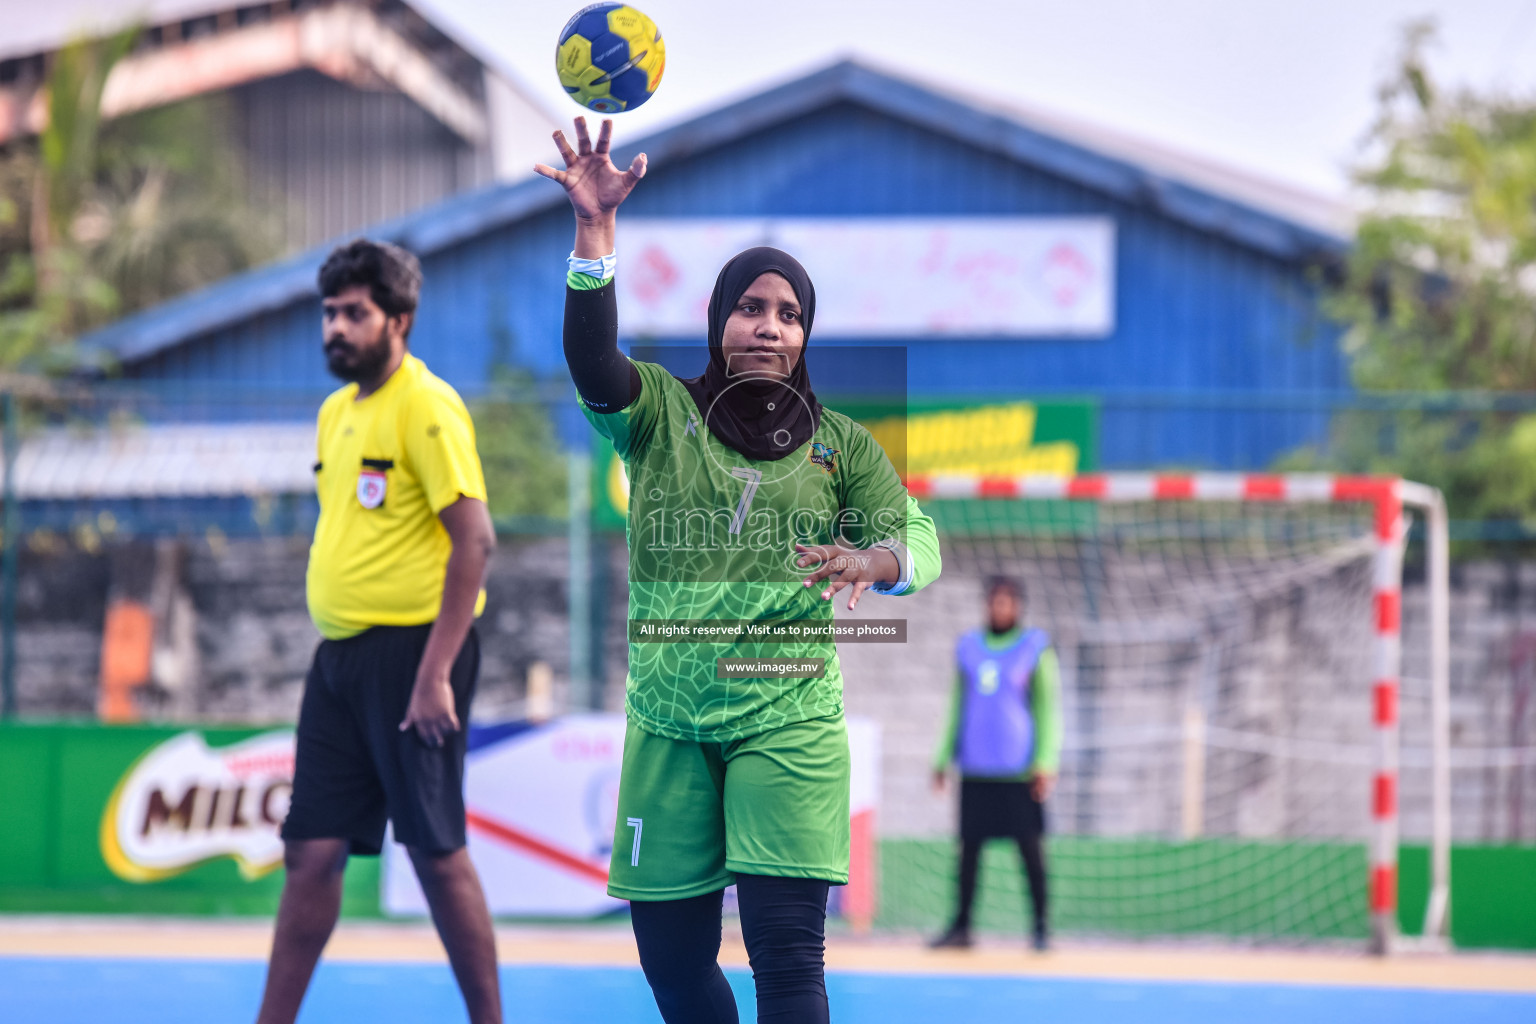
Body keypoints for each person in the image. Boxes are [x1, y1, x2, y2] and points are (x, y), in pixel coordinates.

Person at [535, 117, 942, 1024]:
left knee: (789, 969)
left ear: (806, 334)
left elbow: (919, 544)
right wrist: (594, 234)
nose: (769, 327)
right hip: (669, 722)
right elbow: (591, 362)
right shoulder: (658, 416)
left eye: (789, 313)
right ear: (718, 322)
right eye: (751, 308)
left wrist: (871, 559)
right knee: (675, 971)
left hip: (787, 716)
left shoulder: (843, 447)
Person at [255, 240, 501, 1024]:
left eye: (354, 314)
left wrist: (435, 674)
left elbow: (477, 541)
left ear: (398, 319)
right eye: (329, 313)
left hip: (415, 655)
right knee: (312, 850)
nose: (336, 327)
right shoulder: (335, 413)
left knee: (433, 851)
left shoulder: (427, 407)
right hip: (338, 662)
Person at [930, 576, 1062, 952]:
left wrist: (1045, 761)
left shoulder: (1034, 647)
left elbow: (1047, 710)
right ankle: (962, 927)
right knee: (968, 852)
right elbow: (957, 705)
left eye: (1007, 603)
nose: (999, 609)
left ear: (1017, 606)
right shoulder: (969, 647)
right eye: (994, 602)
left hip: (1019, 772)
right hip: (975, 769)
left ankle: (1040, 927)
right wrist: (942, 757)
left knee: (1031, 851)